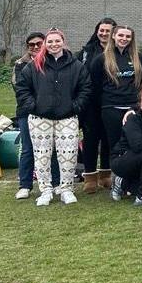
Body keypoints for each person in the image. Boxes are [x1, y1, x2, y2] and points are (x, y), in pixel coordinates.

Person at [13, 28, 91, 206]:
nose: (54, 44)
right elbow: (22, 88)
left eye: (57, 41)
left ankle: (66, 189)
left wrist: (75, 106)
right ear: (45, 44)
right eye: (50, 42)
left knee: (69, 154)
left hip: (67, 117)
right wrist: (33, 106)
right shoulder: (33, 66)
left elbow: (85, 88)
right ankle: (46, 190)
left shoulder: (76, 65)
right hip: (40, 118)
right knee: (41, 155)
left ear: (63, 41)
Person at [91, 25, 142, 189]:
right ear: (113, 36)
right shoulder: (101, 59)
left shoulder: (137, 58)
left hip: (132, 108)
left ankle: (133, 179)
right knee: (115, 145)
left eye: (128, 36)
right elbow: (95, 85)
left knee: (133, 143)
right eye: (121, 35)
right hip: (111, 108)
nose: (124, 39)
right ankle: (117, 181)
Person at [12, 32, 60, 200]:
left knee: (52, 148)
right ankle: (25, 185)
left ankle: (56, 183)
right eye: (31, 44)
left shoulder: (52, 62)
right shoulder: (21, 64)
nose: (35, 47)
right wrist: (36, 106)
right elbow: (21, 90)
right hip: (27, 113)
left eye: (39, 44)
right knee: (28, 149)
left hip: (51, 113)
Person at [79, 18, 116, 192]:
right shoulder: (87, 51)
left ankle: (106, 174)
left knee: (108, 139)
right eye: (101, 30)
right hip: (91, 103)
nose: (104, 33)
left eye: (108, 31)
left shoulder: (118, 52)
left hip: (110, 102)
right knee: (91, 139)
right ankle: (90, 176)